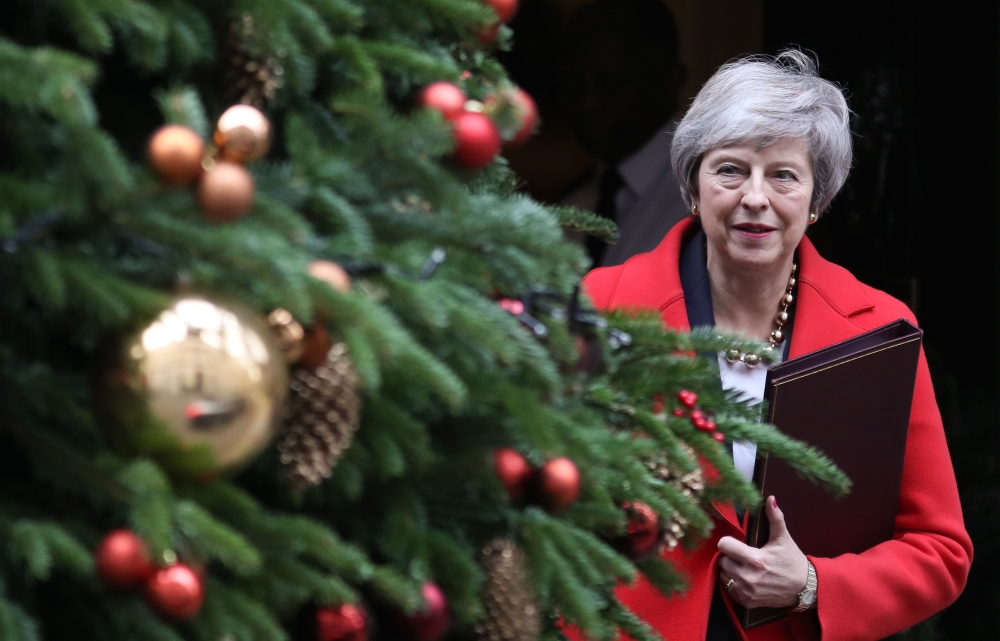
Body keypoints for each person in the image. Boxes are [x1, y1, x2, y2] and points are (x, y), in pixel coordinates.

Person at [579, 52, 972, 641]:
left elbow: (939, 551)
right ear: (692, 185)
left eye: (784, 175)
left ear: (818, 200)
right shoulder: (599, 307)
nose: (755, 197)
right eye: (730, 170)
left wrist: (813, 582)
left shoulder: (876, 330)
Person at [559, 0, 689, 267]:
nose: (587, 103)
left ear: (669, 81)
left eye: (609, 84)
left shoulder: (698, 196)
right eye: (574, 84)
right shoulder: (575, 201)